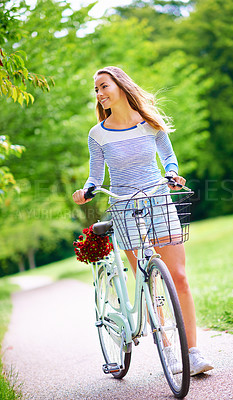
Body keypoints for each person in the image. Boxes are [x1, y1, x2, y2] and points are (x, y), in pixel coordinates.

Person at [72, 66, 214, 376]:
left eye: (103, 86)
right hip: (124, 206)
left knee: (178, 275)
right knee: (147, 281)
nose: (99, 93)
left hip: (159, 198)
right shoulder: (97, 134)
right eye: (96, 90)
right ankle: (167, 349)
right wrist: (87, 191)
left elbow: (169, 158)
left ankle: (192, 351)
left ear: (120, 85)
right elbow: (96, 175)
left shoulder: (150, 123)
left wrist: (173, 174)